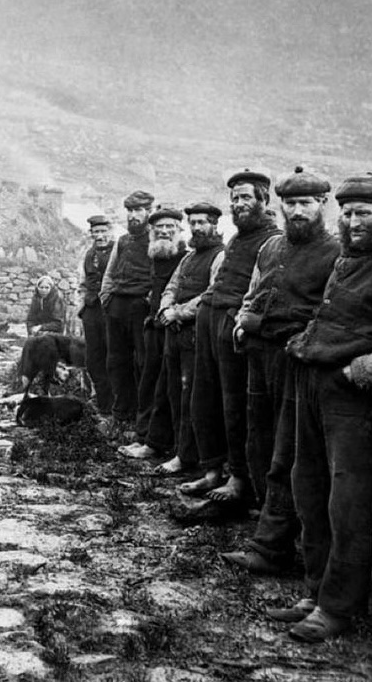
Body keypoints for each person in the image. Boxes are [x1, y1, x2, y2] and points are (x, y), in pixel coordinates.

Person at [270, 172, 372, 642]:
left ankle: (338, 609)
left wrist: (358, 372)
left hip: (354, 403)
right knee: (309, 489)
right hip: (315, 390)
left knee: (348, 504)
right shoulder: (346, 261)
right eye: (347, 213)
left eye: (364, 213)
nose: (353, 222)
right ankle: (315, 591)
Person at [220, 167, 340, 574]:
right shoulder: (271, 247)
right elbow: (253, 293)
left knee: (288, 454)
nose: (297, 211)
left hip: (296, 360)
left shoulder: (335, 253)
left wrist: (277, 331)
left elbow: (326, 313)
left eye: (305, 203)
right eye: (291, 204)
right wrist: (242, 321)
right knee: (260, 441)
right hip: (259, 357)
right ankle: (267, 530)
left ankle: (276, 548)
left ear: (322, 205)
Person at [172, 170, 281, 490]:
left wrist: (239, 321)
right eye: (235, 198)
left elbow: (262, 292)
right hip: (208, 318)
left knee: (233, 405)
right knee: (202, 399)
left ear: (264, 200)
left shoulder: (271, 240)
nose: (239, 204)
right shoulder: (236, 238)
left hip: (231, 325)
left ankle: (238, 478)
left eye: (246, 197)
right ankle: (211, 471)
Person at [134, 202, 224, 465]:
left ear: (214, 226)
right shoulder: (189, 257)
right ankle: (170, 448)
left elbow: (210, 294)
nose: (197, 227)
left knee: (189, 396)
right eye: (193, 223)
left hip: (196, 335)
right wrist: (165, 308)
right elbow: (171, 286)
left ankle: (187, 456)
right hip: (173, 332)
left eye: (202, 223)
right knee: (170, 392)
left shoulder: (220, 255)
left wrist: (179, 312)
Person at [118, 206, 185, 457]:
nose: (165, 232)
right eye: (160, 228)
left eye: (170, 227)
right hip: (152, 327)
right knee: (147, 383)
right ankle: (143, 435)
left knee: (164, 387)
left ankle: (158, 443)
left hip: (172, 328)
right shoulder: (155, 254)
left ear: (179, 230)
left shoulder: (184, 256)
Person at [99, 189, 155, 423]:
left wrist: (148, 301)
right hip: (117, 307)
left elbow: (159, 276)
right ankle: (121, 414)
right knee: (116, 361)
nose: (133, 215)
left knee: (142, 362)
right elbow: (110, 272)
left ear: (149, 212)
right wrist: (106, 298)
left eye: (138, 210)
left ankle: (142, 418)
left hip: (139, 306)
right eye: (130, 211)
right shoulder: (122, 241)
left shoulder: (156, 238)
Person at [78, 215, 115, 414]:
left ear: (110, 231)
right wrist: (82, 308)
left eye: (103, 231)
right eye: (96, 232)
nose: (100, 236)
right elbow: (82, 283)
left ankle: (115, 406)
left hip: (112, 310)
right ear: (91, 233)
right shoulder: (88, 254)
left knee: (114, 356)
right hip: (92, 311)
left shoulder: (119, 251)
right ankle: (102, 403)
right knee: (94, 358)